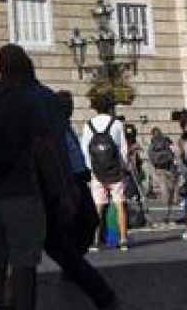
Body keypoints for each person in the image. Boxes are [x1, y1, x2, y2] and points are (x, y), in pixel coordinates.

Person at [0, 46, 71, 310]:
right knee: (24, 261)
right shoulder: (27, 101)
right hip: (22, 189)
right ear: (25, 67)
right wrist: (61, 189)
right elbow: (43, 148)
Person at [43, 90, 117, 310]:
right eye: (66, 103)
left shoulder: (66, 125)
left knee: (90, 221)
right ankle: (76, 268)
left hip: (79, 178)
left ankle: (73, 262)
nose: (70, 106)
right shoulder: (54, 127)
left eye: (71, 102)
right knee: (70, 230)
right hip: (69, 181)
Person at [80, 94, 130, 251]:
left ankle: (95, 240)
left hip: (97, 171)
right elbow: (123, 148)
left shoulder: (88, 125)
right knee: (120, 203)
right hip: (115, 170)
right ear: (110, 107)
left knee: (98, 206)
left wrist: (91, 169)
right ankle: (123, 239)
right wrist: (123, 167)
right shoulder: (116, 124)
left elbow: (85, 149)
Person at [148, 127, 180, 222]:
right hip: (170, 169)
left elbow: (150, 157)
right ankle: (170, 211)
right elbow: (175, 152)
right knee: (171, 191)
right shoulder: (167, 141)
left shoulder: (152, 144)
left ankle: (166, 212)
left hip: (159, 170)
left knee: (164, 191)